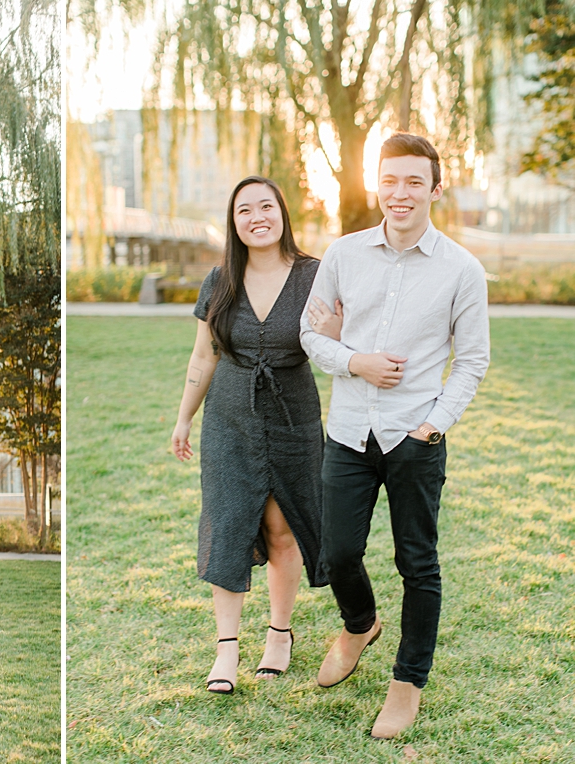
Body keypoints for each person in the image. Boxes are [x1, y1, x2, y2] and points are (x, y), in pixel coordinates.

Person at [300, 132, 490, 739]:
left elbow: (473, 360)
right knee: (336, 553)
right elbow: (312, 334)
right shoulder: (343, 254)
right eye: (390, 180)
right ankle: (359, 623)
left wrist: (434, 423)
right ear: (374, 186)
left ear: (435, 189)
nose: (400, 193)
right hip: (349, 431)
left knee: (418, 563)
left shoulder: (462, 269)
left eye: (414, 181)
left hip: (415, 436)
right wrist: (355, 361)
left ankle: (407, 682)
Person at [171, 176, 328, 694]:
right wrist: (184, 417)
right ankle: (226, 653)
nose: (257, 216)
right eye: (244, 210)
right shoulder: (219, 282)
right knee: (228, 527)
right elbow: (203, 355)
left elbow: (338, 340)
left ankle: (279, 636)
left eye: (266, 206)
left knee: (283, 530)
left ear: (282, 213)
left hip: (294, 418)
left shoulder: (315, 275)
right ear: (233, 223)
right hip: (230, 419)